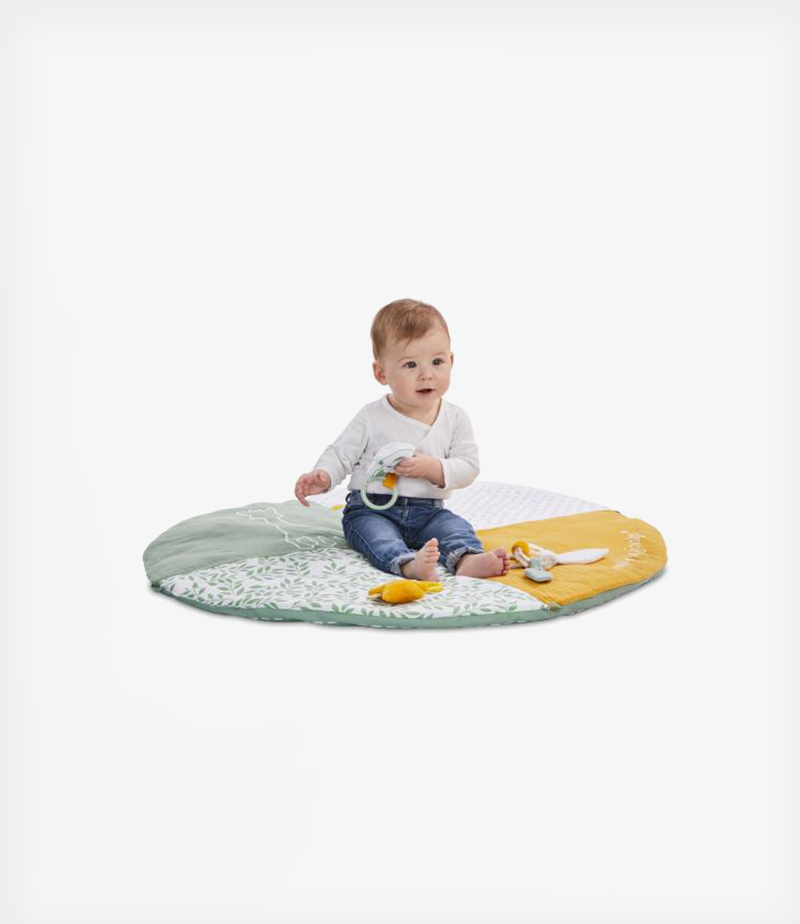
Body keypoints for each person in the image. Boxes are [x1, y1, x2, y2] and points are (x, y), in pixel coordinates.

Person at [294, 299, 510, 581]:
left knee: (454, 528)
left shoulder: (455, 418)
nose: (426, 374)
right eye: (410, 364)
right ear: (381, 373)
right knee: (375, 536)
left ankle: (466, 559)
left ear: (451, 361)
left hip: (428, 512)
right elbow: (341, 453)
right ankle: (407, 564)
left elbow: (468, 467)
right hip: (372, 509)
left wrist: (431, 467)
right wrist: (324, 475)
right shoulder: (372, 416)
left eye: (437, 362)